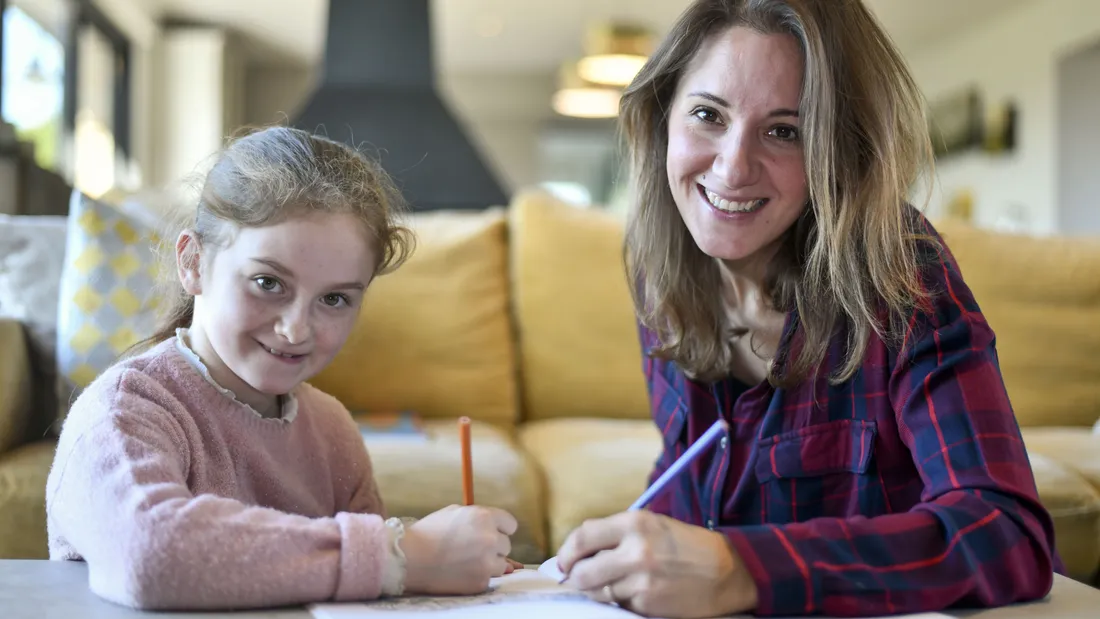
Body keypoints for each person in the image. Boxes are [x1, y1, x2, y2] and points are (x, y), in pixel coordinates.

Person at [555, 1, 1060, 617]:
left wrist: (738, 568)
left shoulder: (902, 274)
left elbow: (1006, 534)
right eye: (708, 115)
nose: (733, 167)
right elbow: (691, 470)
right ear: (663, 119)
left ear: (838, 152)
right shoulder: (657, 273)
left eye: (784, 131)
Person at [45, 126, 520, 610]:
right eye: (267, 283)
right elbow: (150, 553)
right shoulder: (124, 409)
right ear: (193, 262)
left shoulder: (332, 430)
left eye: (334, 299)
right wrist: (400, 555)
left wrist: (424, 564)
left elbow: (365, 598)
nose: (296, 329)